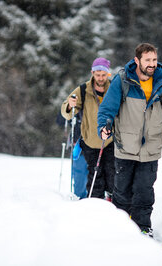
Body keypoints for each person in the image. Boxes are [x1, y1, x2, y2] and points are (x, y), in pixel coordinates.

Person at [97, 43, 162, 235]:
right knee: (122, 191)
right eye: (148, 60)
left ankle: (143, 227)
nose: (152, 64)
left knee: (144, 191)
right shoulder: (122, 81)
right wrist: (103, 127)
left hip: (151, 147)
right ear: (137, 60)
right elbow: (107, 109)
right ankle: (121, 228)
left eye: (154, 60)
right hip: (125, 145)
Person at [61, 57, 115, 200]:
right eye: (97, 75)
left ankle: (112, 204)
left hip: (110, 141)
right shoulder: (83, 90)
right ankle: (95, 206)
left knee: (112, 175)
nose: (101, 78)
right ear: (92, 73)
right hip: (90, 141)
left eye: (104, 75)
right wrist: (69, 105)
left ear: (108, 74)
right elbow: (66, 109)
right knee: (95, 177)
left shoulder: (115, 88)